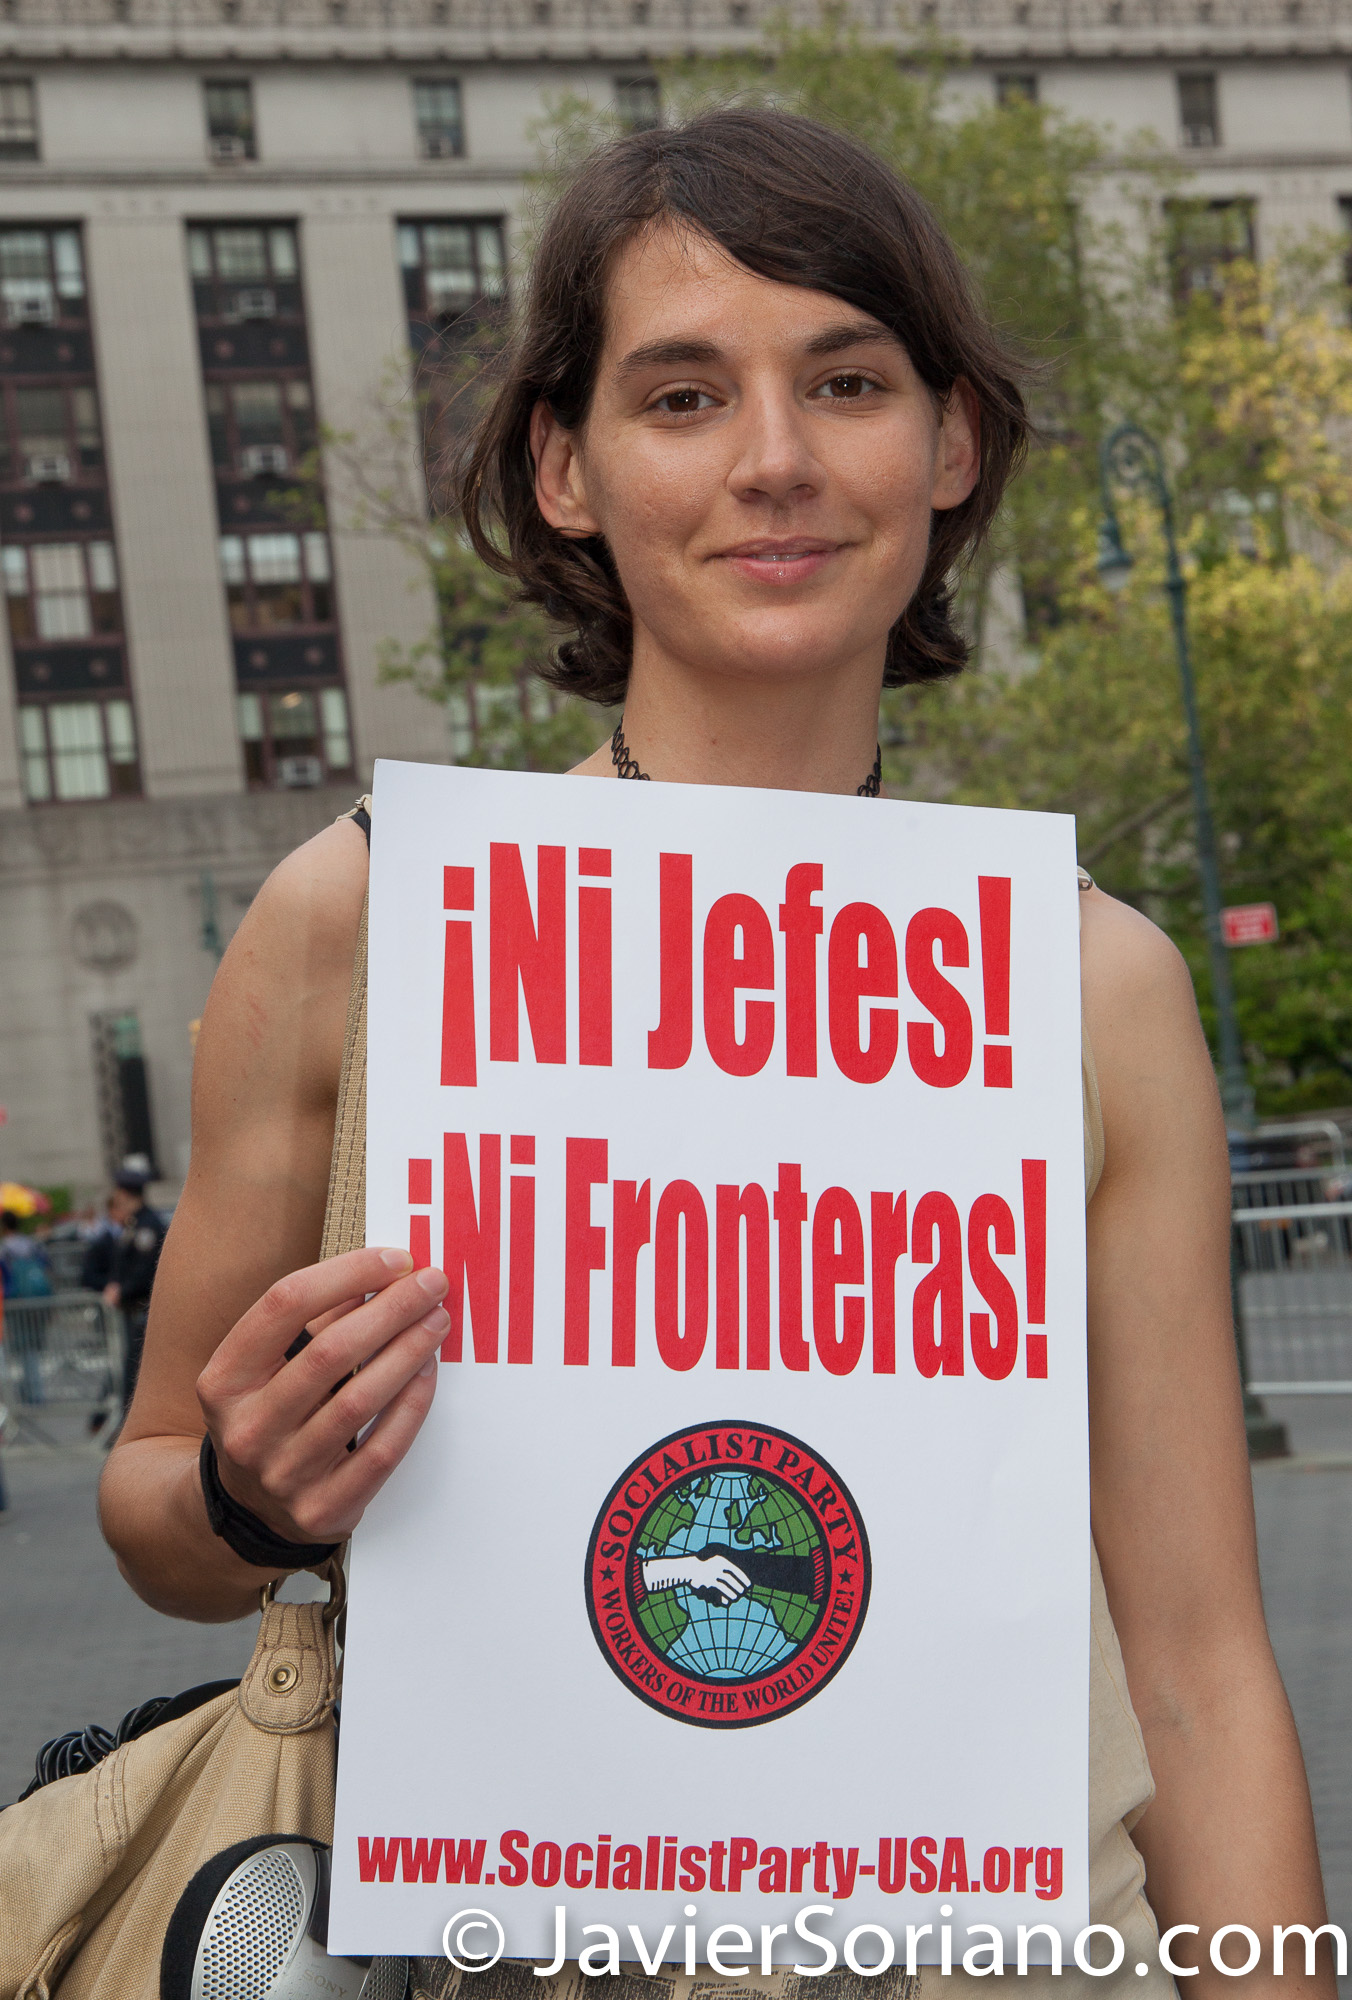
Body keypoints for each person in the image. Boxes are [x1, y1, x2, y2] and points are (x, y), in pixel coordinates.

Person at [99, 109, 1333, 1991]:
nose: (773, 460)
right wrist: (247, 1497)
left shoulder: (1089, 981)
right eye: (681, 397)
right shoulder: (367, 919)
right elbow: (155, 1501)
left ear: (949, 443)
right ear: (565, 466)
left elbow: (1195, 1662)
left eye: (846, 381)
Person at [101, 1168, 167, 1411]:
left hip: (143, 1308)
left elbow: (146, 1269)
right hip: (133, 1310)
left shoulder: (147, 1225)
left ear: (127, 1194)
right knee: (130, 1367)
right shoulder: (134, 1223)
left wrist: (122, 1290)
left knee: (136, 1369)